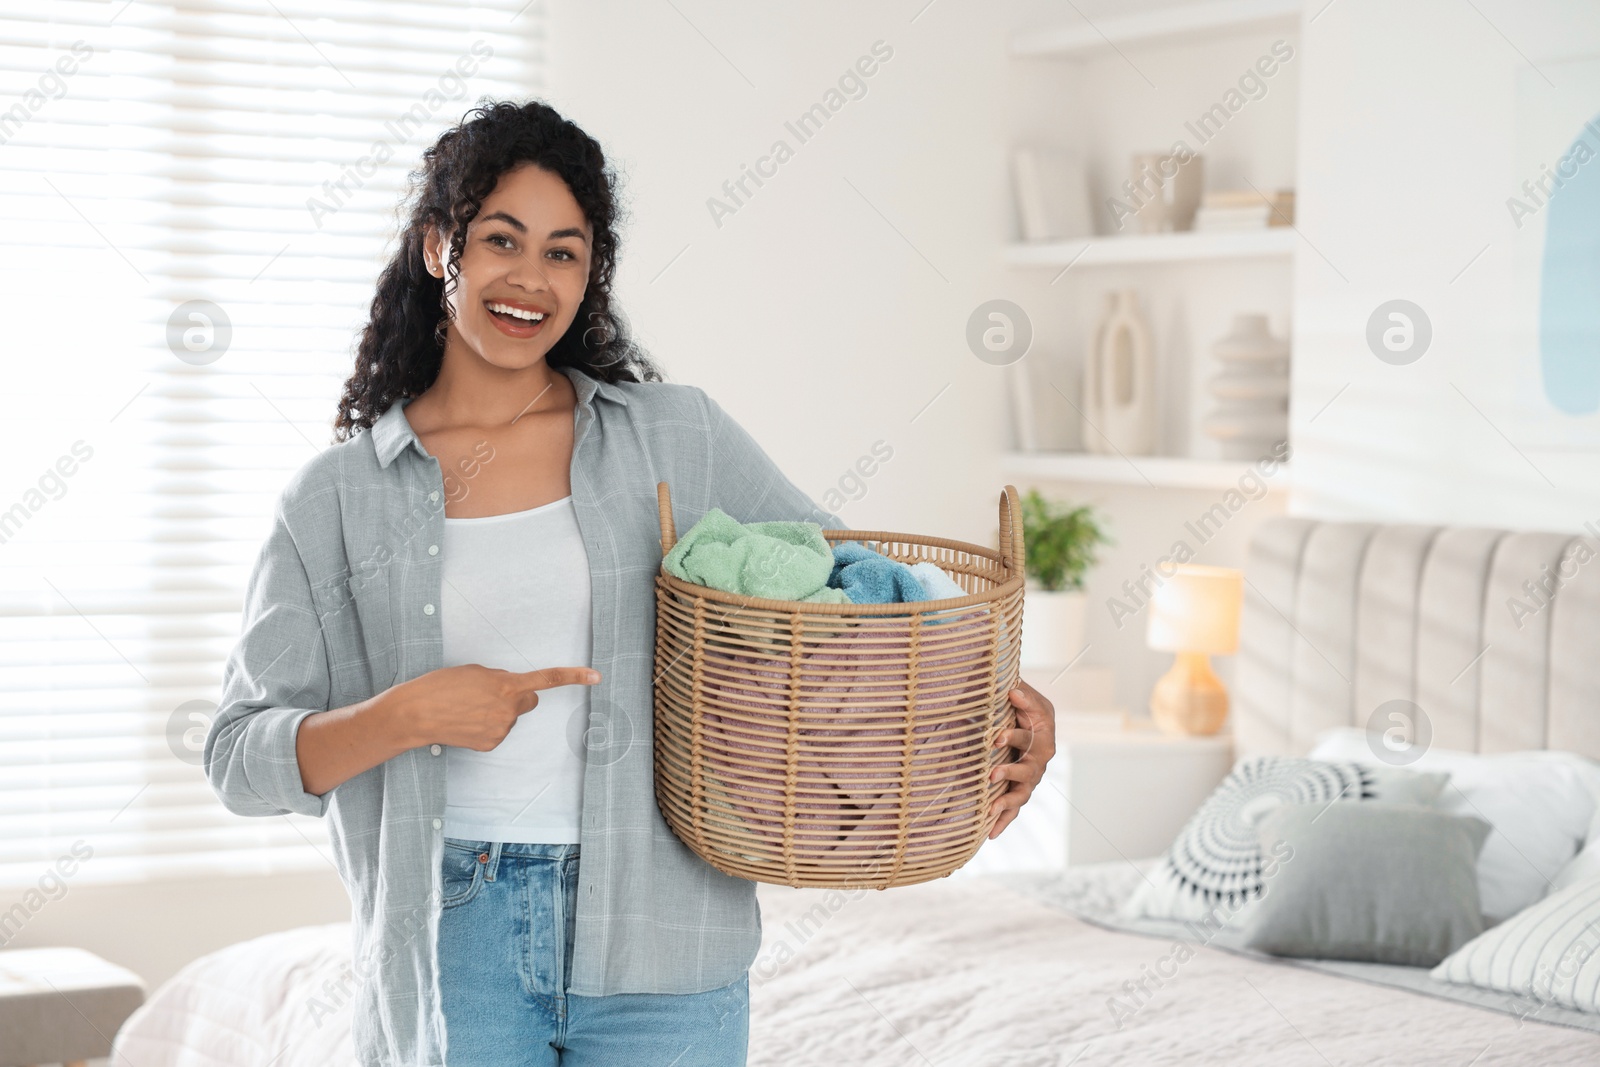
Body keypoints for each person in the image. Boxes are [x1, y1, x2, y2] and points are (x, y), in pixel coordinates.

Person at [204, 98, 1056, 1067]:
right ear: (442, 246)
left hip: (667, 931)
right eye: (501, 239)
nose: (530, 277)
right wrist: (406, 713)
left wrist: (1007, 704)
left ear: (589, 275)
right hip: (452, 936)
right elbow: (237, 754)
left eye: (564, 252)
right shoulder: (334, 498)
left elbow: (855, 598)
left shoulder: (675, 438)